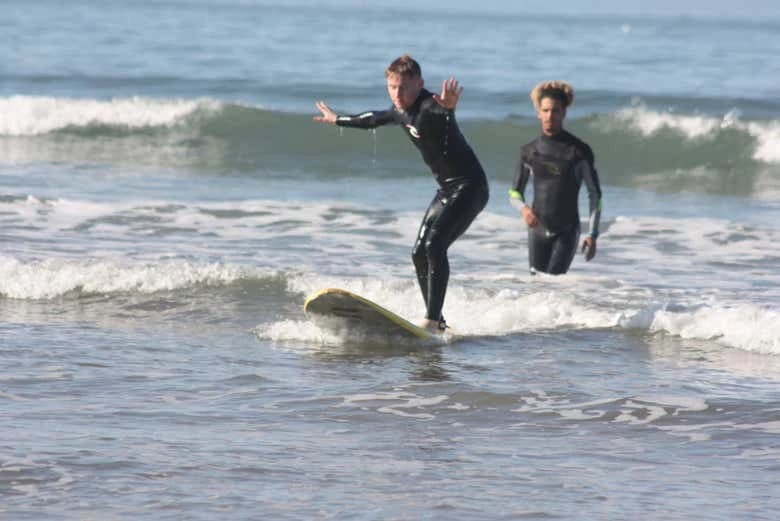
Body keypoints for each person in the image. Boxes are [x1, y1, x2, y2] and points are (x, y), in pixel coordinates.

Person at [314, 54, 489, 333]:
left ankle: (431, 320)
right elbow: (373, 118)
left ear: (420, 84)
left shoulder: (431, 105)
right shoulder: (399, 110)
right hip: (446, 190)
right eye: (392, 87)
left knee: (435, 245)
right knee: (419, 252)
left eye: (404, 87)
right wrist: (338, 120)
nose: (398, 93)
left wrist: (450, 108)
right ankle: (438, 320)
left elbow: (441, 112)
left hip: (470, 188)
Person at [509, 80, 602, 275]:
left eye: (555, 111)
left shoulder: (578, 151)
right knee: (535, 286)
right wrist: (524, 209)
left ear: (564, 113)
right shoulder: (529, 151)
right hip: (537, 231)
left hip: (566, 231)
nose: (550, 116)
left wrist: (592, 234)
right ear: (538, 113)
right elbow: (514, 192)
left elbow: (595, 194)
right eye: (545, 110)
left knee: (552, 283)